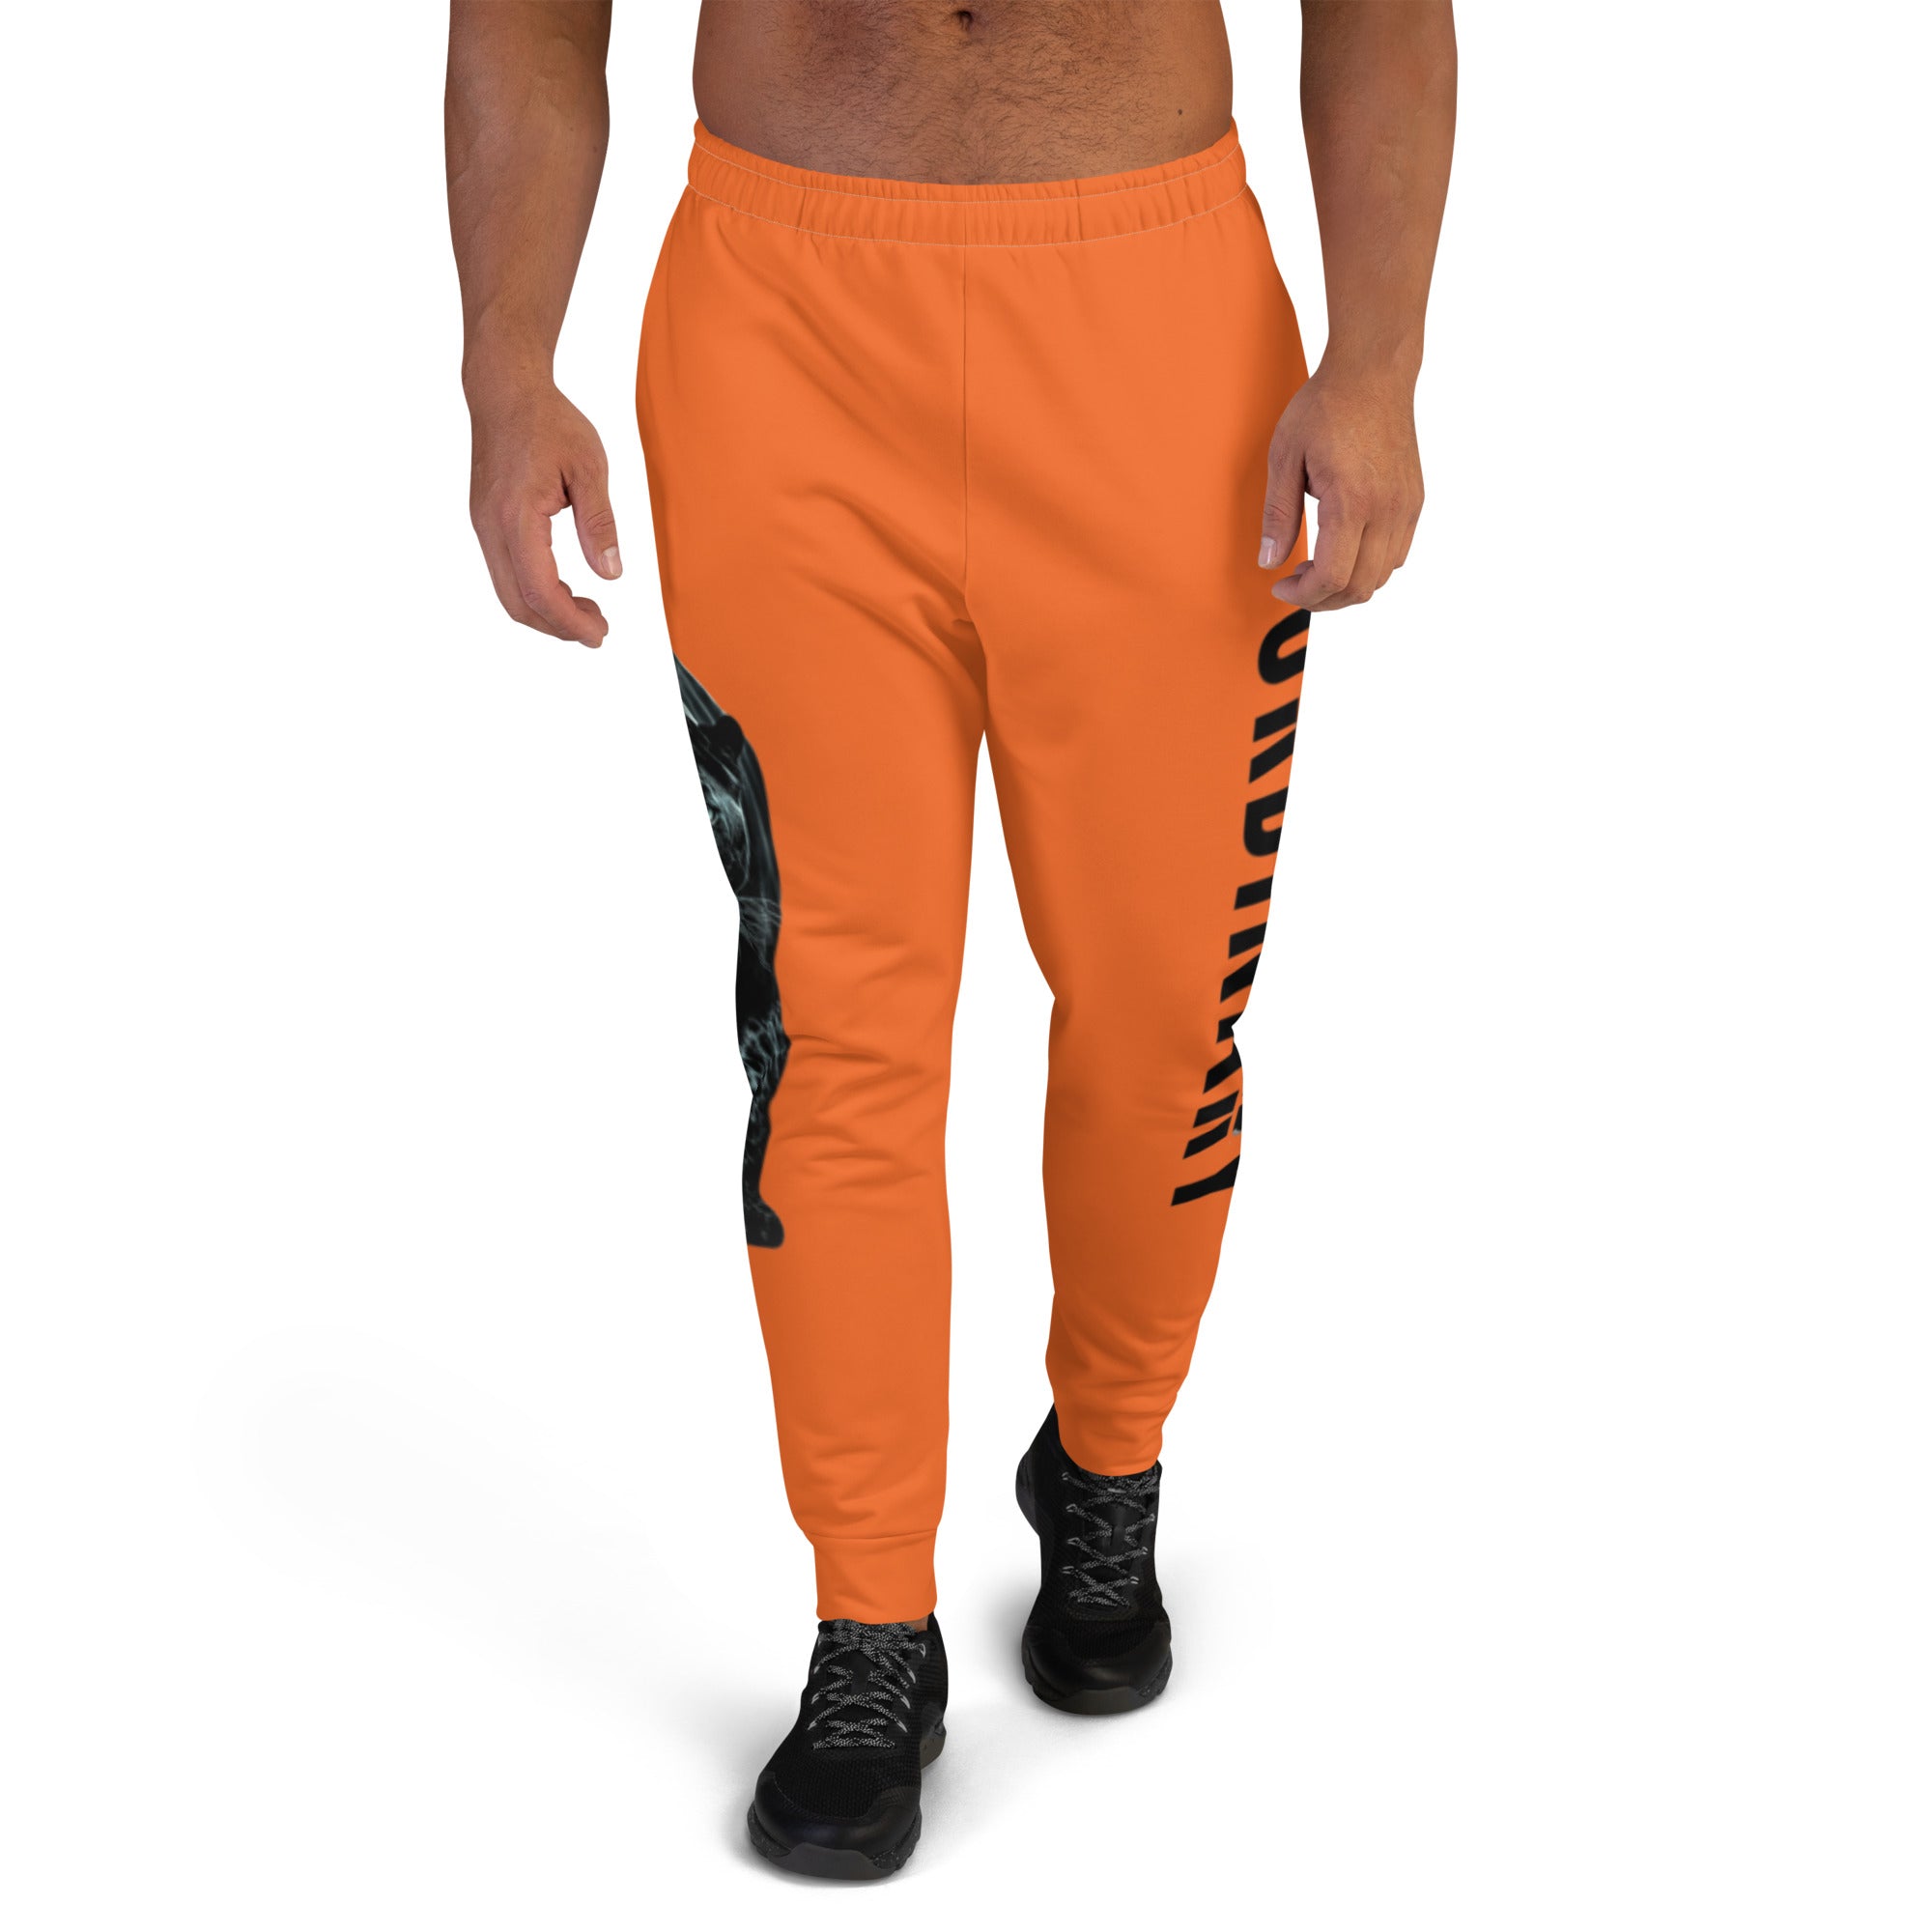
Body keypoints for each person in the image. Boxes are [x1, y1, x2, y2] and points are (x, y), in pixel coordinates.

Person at [445, 0, 1454, 1880]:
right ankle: (870, 1619)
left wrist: (1377, 357)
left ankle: (1106, 1458)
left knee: (1162, 1008)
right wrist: (509, 365)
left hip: (1158, 327)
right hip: (783, 330)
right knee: (834, 1031)